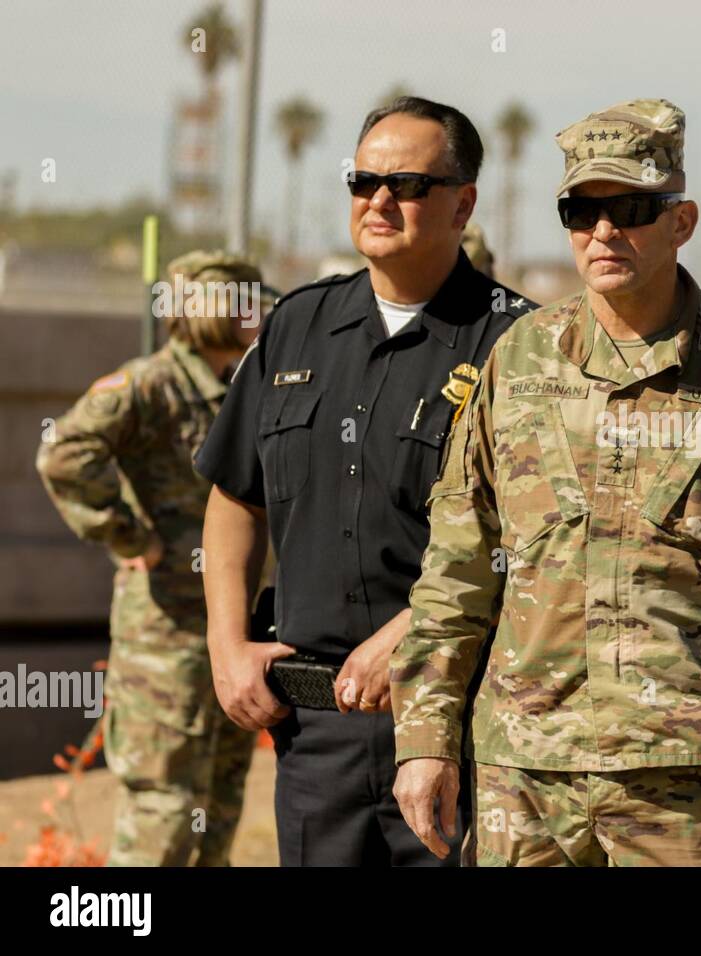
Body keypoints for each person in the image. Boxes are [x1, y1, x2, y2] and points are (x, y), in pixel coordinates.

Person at [390, 98, 701, 867]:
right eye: (581, 211)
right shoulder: (518, 362)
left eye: (632, 208)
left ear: (681, 222)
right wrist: (425, 739)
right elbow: (457, 569)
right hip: (527, 779)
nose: (604, 232)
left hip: (694, 786)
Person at [196, 97, 535, 866]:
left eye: (409, 184)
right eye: (363, 180)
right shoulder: (296, 325)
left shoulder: (521, 345)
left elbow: (540, 543)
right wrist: (229, 645)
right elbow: (234, 496)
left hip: (464, 729)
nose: (379, 200)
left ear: (464, 203)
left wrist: (413, 634)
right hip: (317, 741)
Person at [36, 250, 264, 866]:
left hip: (234, 628)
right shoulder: (150, 384)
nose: (259, 310)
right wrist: (128, 535)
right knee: (162, 809)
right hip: (167, 635)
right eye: (244, 298)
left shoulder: (249, 384)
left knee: (218, 804)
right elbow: (63, 453)